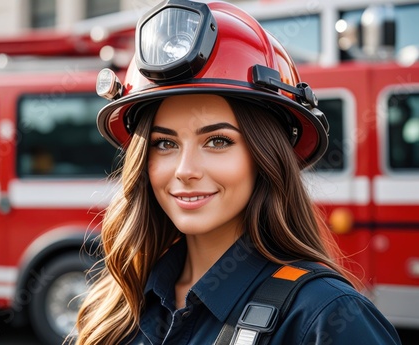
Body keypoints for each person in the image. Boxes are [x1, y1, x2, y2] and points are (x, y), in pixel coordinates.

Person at [74, 0, 402, 344]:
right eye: (165, 144)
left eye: (217, 141)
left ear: (266, 156)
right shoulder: (118, 305)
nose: (185, 171)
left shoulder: (325, 319)